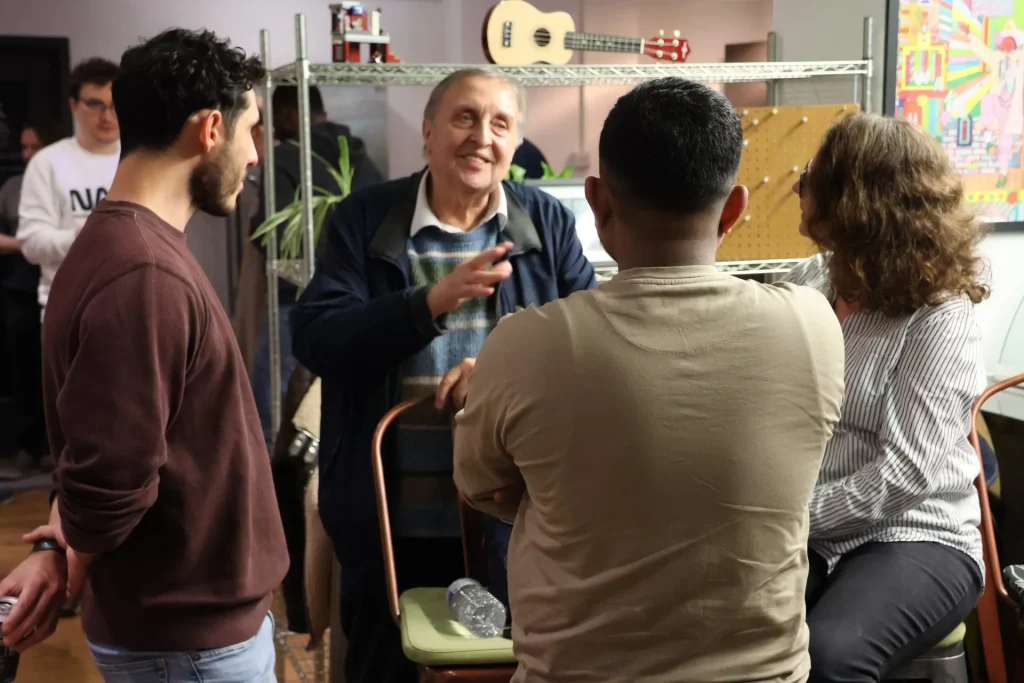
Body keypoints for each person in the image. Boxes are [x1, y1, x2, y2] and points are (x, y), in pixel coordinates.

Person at [453, 78, 846, 683]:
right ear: (735, 209)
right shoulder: (811, 325)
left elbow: (483, 486)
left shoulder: (523, 345)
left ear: (598, 202)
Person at [0, 28, 289, 682]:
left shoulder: (125, 246)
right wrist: (66, 552)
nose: (255, 156)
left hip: (185, 636)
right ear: (211, 129)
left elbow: (99, 446)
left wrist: (56, 544)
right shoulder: (142, 275)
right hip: (191, 645)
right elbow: (109, 480)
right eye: (253, 131)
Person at [290, 67, 596, 682]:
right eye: (464, 118)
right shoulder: (365, 217)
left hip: (513, 519)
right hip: (387, 519)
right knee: (385, 666)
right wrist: (427, 304)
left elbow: (592, 351)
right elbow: (318, 336)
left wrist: (501, 374)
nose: (482, 136)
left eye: (500, 123)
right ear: (428, 133)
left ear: (515, 145)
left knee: (501, 670)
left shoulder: (547, 226)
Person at [781, 113, 987, 680]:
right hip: (812, 536)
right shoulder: (806, 283)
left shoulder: (941, 315)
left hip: (919, 533)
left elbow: (905, 475)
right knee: (726, 636)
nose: (798, 187)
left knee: (830, 656)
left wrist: (792, 518)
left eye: (810, 177)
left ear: (855, 202)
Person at [249, 84, 383, 453]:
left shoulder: (284, 158)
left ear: (291, 115)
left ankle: (273, 487)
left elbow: (269, 235)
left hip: (295, 298)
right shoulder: (359, 153)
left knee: (268, 397)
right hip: (358, 296)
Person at [16, 58, 120, 318]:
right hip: (68, 310)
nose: (106, 115)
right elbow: (30, 243)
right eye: (95, 104)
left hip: (131, 305)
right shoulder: (47, 163)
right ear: (74, 106)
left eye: (114, 105)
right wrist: (81, 236)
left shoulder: (141, 161)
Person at [0, 120, 58, 475]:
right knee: (23, 369)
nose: (28, 155)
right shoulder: (11, 187)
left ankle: (58, 447)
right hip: (19, 289)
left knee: (58, 370)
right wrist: (32, 241)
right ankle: (25, 446)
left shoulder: (60, 181)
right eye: (23, 147)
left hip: (60, 285)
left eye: (35, 147)